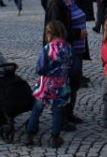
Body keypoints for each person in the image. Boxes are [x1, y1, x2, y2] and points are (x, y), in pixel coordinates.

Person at [45, 0, 87, 129]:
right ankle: (61, 119)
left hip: (76, 49)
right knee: (63, 84)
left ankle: (69, 113)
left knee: (74, 82)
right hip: (64, 51)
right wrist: (77, 33)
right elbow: (55, 31)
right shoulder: (57, 4)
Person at [26, 20, 72, 149]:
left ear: (49, 33)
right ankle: (55, 137)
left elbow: (40, 68)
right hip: (61, 85)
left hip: (46, 85)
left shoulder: (47, 49)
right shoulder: (68, 47)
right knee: (57, 111)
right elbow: (70, 64)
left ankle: (30, 134)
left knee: (37, 109)